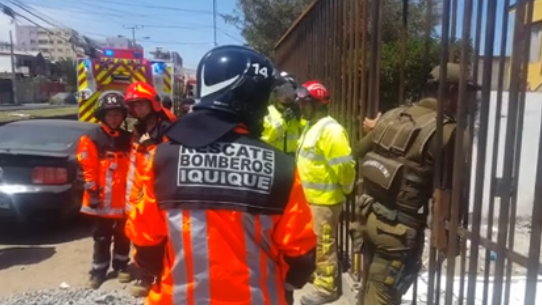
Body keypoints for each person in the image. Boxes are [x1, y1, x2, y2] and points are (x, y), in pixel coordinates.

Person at [124, 45, 317, 305]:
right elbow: (301, 257)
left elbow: (144, 243)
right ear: (248, 96)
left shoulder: (163, 158)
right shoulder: (280, 166)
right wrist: (285, 285)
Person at [351, 63, 480, 304]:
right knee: (382, 296)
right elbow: (451, 198)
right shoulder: (452, 133)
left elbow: (359, 150)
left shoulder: (392, 116)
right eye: (468, 93)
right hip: (398, 233)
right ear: (452, 92)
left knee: (370, 288)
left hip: (367, 216)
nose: (471, 100)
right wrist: (448, 243)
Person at [295, 80, 357, 305]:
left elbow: (344, 167)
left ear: (319, 103)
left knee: (324, 244)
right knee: (315, 243)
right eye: (301, 102)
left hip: (325, 201)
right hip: (311, 199)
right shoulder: (311, 126)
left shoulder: (331, 130)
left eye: (306, 103)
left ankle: (327, 287)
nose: (302, 106)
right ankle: (320, 275)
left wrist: (347, 188)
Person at [123, 81, 176, 297]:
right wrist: (131, 196)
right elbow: (135, 163)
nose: (138, 109)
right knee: (140, 231)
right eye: (134, 106)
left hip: (161, 186)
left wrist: (151, 146)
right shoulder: (138, 129)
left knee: (163, 234)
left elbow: (171, 157)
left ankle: (160, 274)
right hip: (141, 186)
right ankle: (144, 272)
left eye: (141, 104)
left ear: (151, 103)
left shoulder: (169, 126)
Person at [76, 92, 132, 289]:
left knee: (124, 235)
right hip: (101, 200)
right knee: (101, 238)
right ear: (103, 116)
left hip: (124, 201)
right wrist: (92, 193)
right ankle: (98, 272)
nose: (114, 118)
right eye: (110, 115)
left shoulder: (129, 139)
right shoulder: (91, 138)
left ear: (123, 116)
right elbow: (87, 168)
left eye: (118, 114)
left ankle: (121, 266)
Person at [261, 71, 305, 154]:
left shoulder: (297, 114)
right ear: (276, 94)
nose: (286, 97)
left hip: (292, 160)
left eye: (290, 93)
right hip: (273, 159)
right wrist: (283, 121)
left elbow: (308, 134)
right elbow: (265, 138)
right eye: (282, 92)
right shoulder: (267, 113)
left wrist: (301, 119)